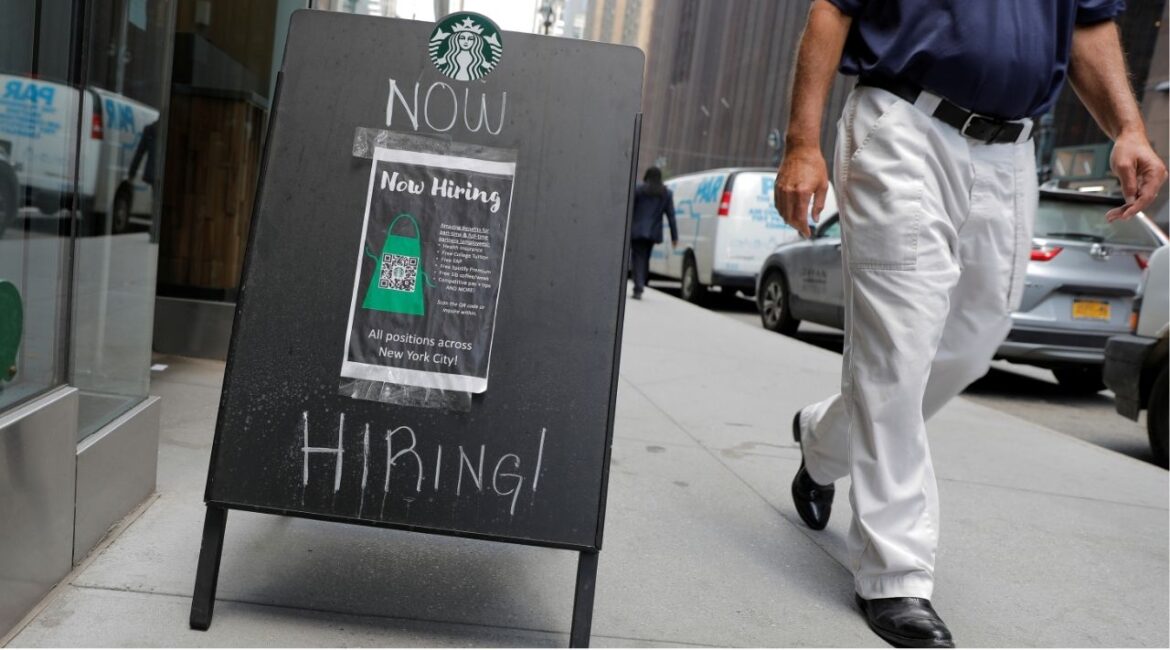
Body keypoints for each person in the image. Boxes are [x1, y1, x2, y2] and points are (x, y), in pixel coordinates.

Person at [773, 1, 1167, 647]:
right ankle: (895, 576)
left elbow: (1088, 23)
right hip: (903, 124)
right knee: (899, 348)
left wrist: (1128, 125)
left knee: (969, 345)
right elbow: (831, 9)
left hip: (1010, 153)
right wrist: (801, 143)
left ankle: (823, 441)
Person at [629, 167, 678, 300]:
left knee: (638, 258)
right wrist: (675, 237)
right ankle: (640, 283)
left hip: (637, 231)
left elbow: (630, 209)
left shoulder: (639, 190)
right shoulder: (666, 193)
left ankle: (638, 287)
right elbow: (671, 216)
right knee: (645, 258)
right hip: (653, 233)